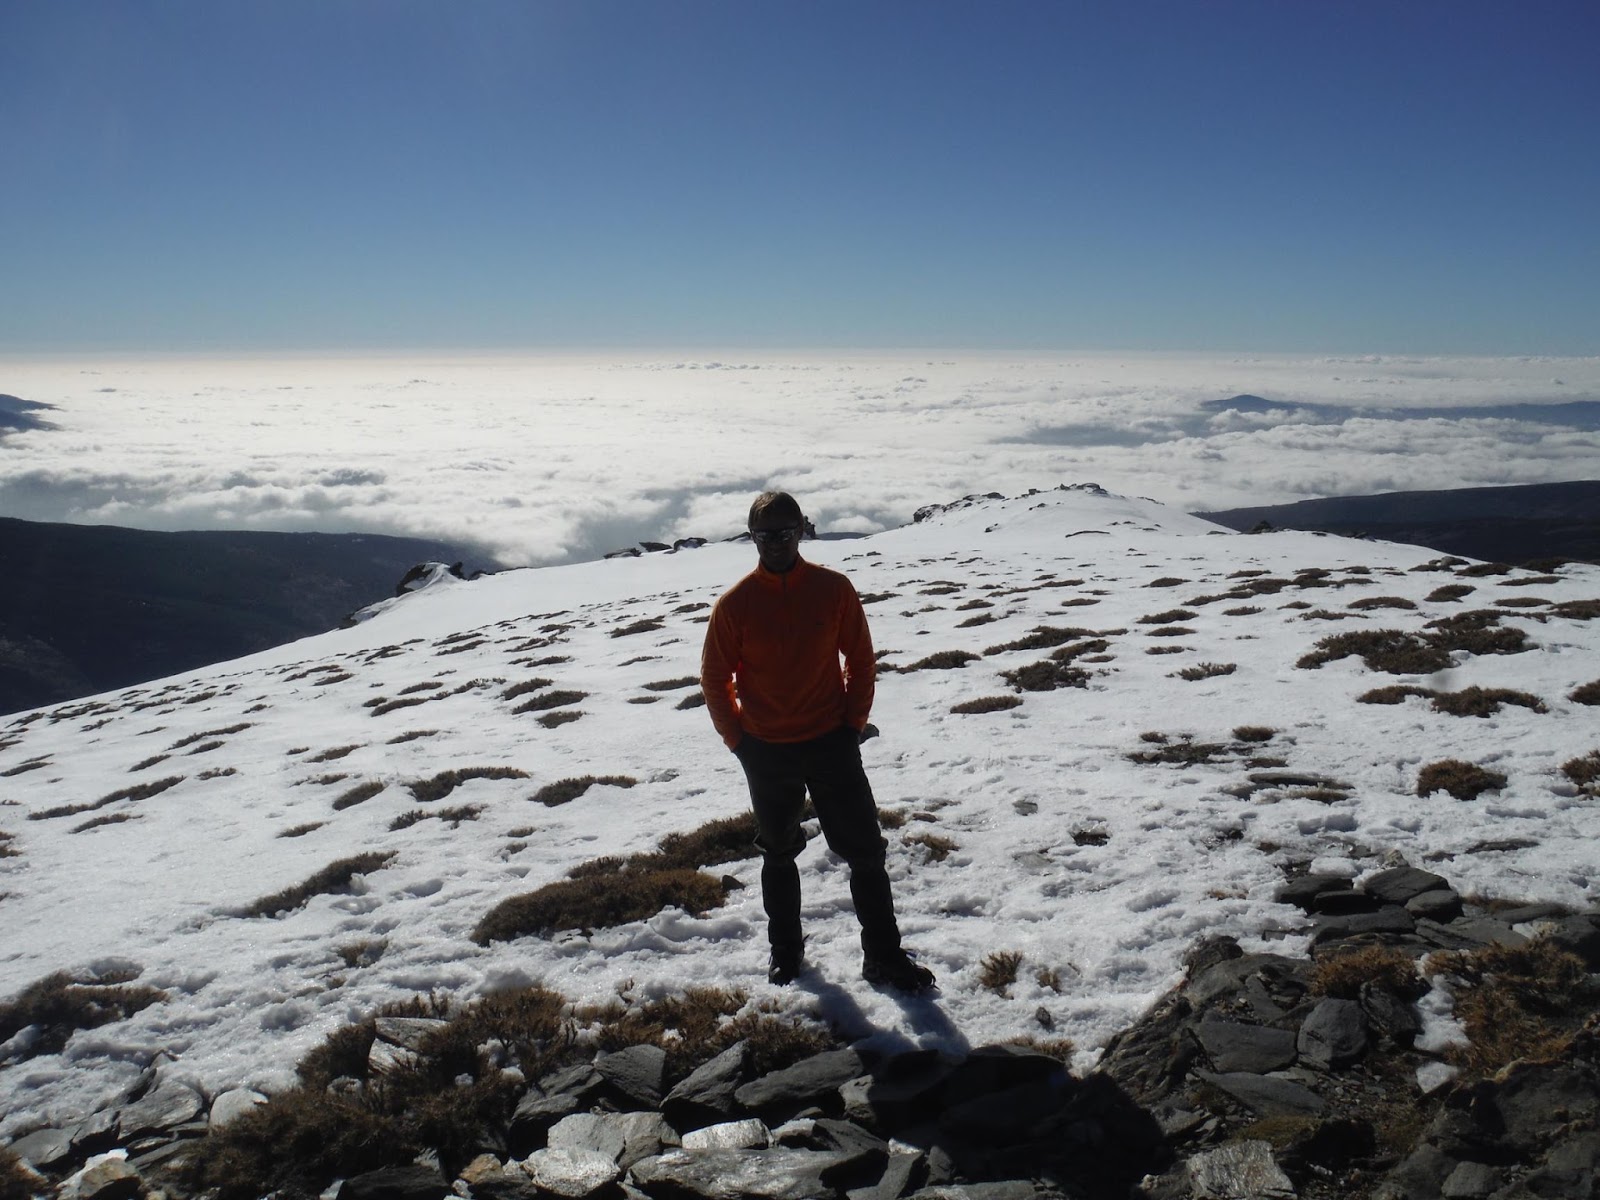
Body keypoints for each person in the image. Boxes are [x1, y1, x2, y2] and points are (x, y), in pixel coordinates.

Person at [700, 491, 936, 992]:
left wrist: (852, 726)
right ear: (752, 538)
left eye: (785, 533)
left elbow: (861, 659)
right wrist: (739, 742)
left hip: (831, 742)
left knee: (866, 852)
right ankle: (786, 953)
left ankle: (883, 956)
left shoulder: (833, 589)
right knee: (778, 852)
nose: (775, 544)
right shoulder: (736, 605)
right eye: (764, 536)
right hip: (766, 751)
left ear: (802, 532)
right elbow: (715, 679)